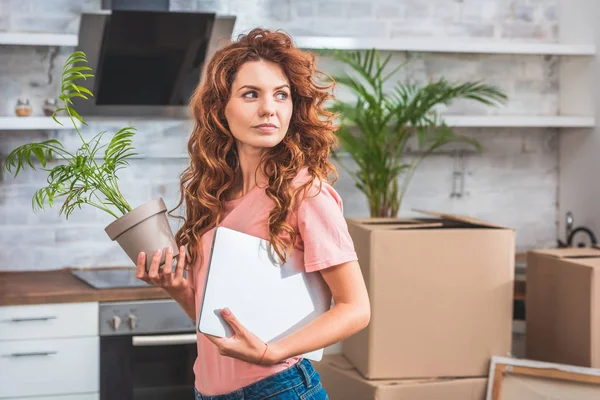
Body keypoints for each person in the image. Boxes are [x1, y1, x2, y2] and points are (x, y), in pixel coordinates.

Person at [136, 28, 371, 400]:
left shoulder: (306, 193)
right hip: (208, 391)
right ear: (220, 108)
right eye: (250, 94)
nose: (269, 109)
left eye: (281, 95)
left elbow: (355, 308)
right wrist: (177, 288)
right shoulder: (214, 194)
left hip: (278, 389)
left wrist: (273, 351)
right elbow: (219, 321)